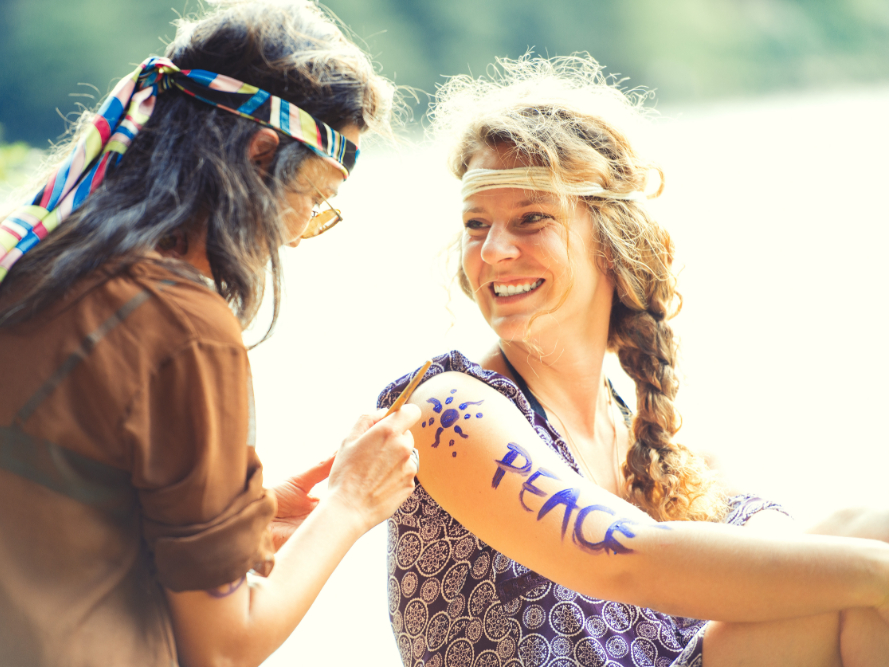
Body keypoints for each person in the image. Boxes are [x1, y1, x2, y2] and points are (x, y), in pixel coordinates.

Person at [0, 2, 421, 666]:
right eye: (313, 196)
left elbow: (25, 515)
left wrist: (242, 516)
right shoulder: (178, 324)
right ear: (260, 159)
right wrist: (350, 503)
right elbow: (225, 645)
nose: (297, 232)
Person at [378, 56, 889, 667]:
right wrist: (876, 574)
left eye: (531, 219)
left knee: (869, 531)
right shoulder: (447, 410)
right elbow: (624, 557)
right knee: (855, 583)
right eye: (476, 224)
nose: (494, 250)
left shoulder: (654, 444)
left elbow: (790, 544)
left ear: (609, 238)